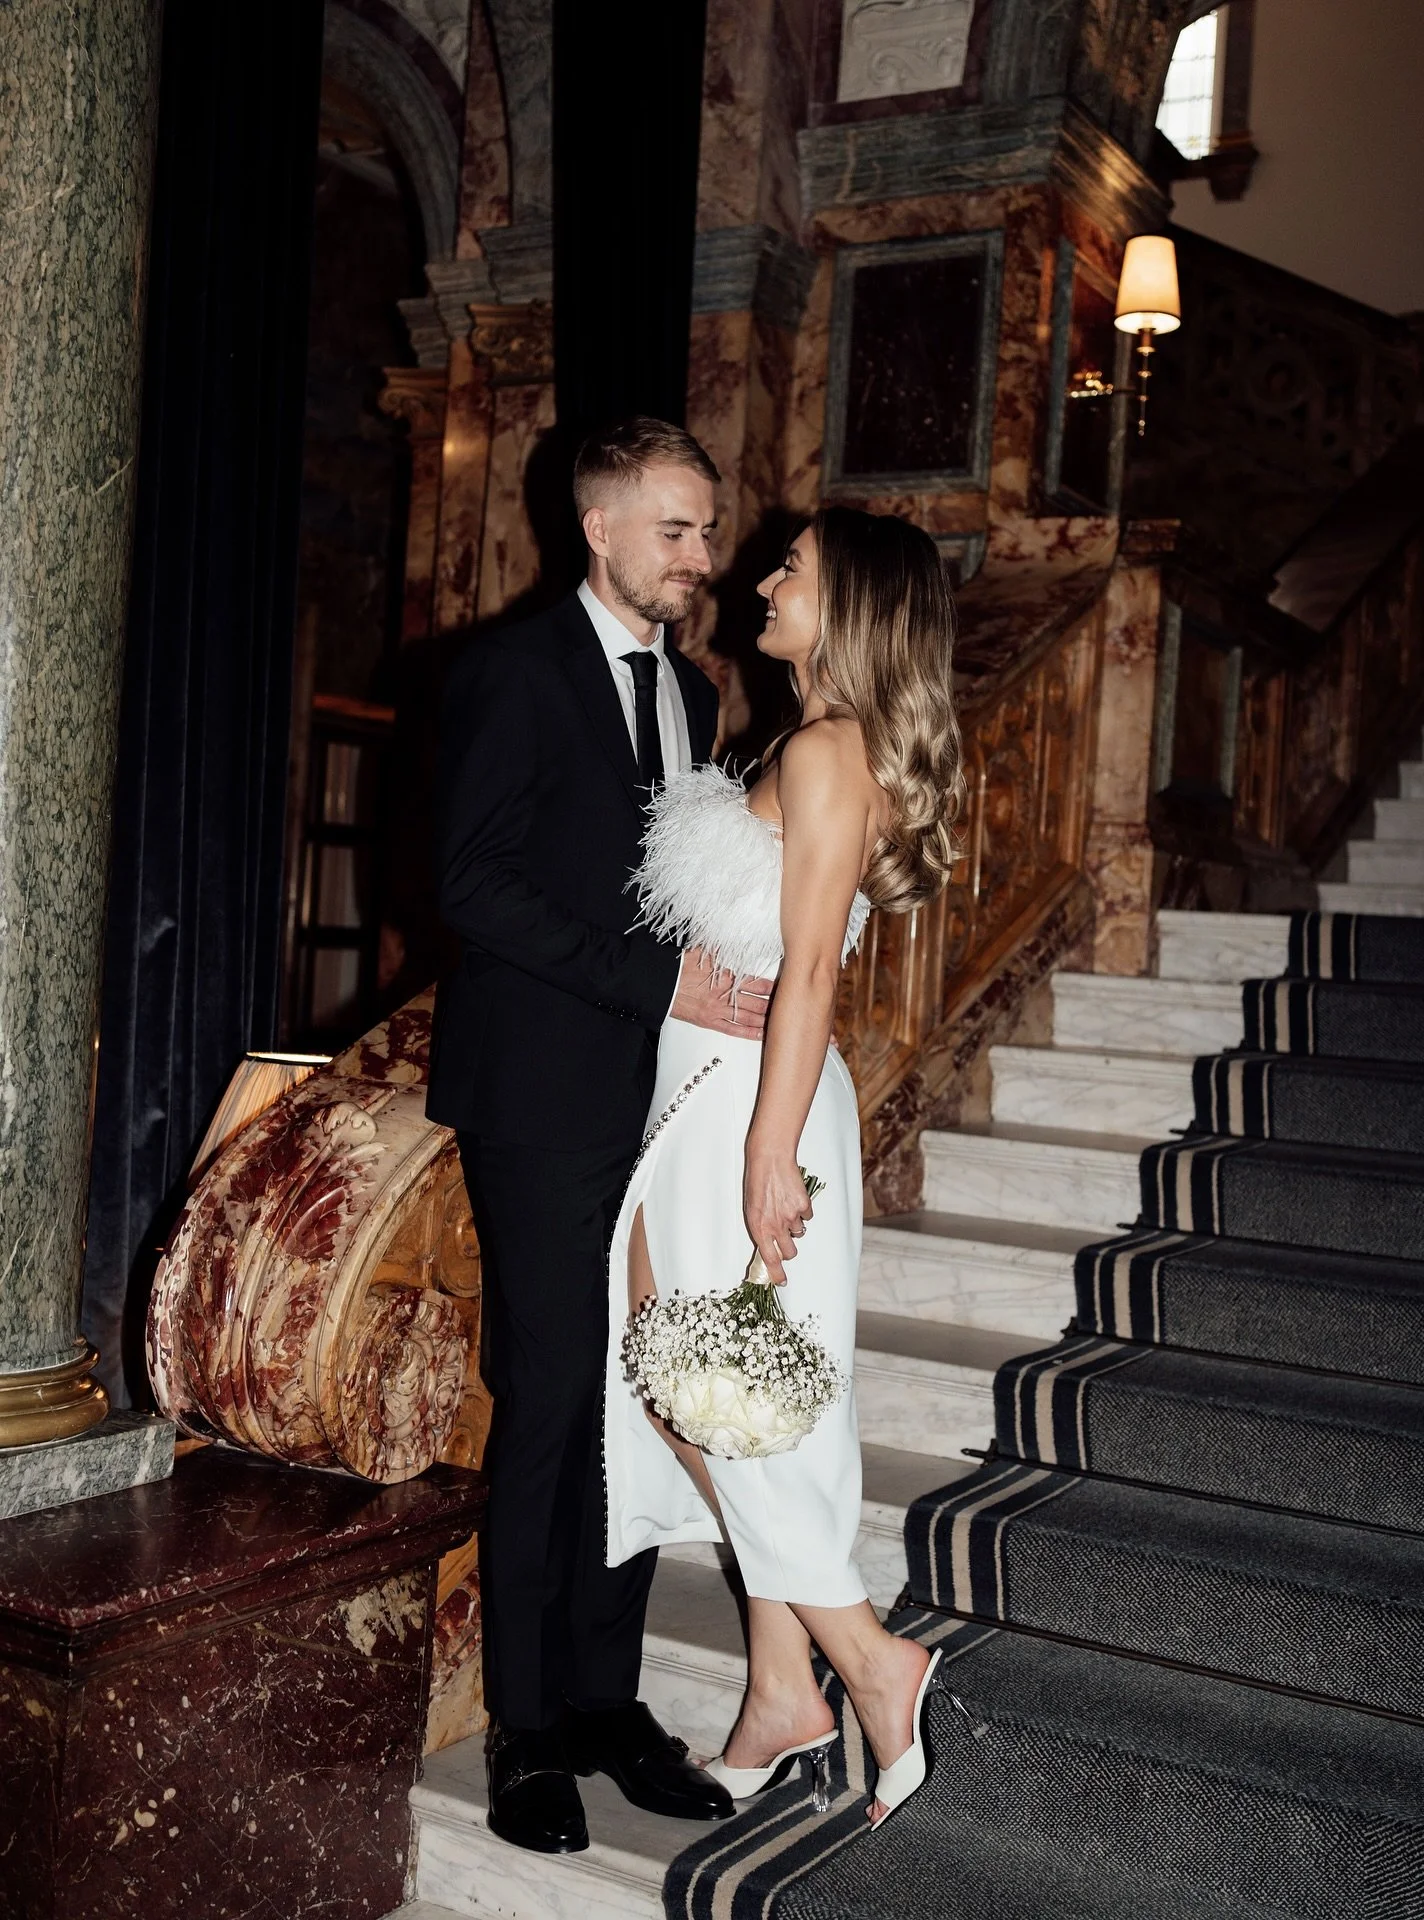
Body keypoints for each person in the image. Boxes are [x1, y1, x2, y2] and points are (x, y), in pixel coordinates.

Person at [428, 417, 772, 1856]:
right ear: (603, 529)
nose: (701, 560)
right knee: (559, 1398)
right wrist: (656, 979)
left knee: (643, 1406)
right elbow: (468, 884)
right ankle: (524, 1732)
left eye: (704, 534)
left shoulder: (691, 693)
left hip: (661, 1101)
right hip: (542, 1102)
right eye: (679, 532)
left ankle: (607, 1703)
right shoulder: (509, 673)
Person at [604, 505, 966, 1828]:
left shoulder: (825, 753)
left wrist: (768, 1159)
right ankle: (780, 1685)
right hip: (713, 1091)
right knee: (697, 1388)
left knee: (703, 1389)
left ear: (853, 606)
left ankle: (870, 1662)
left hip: (744, 1104)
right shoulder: (806, 742)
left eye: (792, 572)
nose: (763, 580)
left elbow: (809, 969)